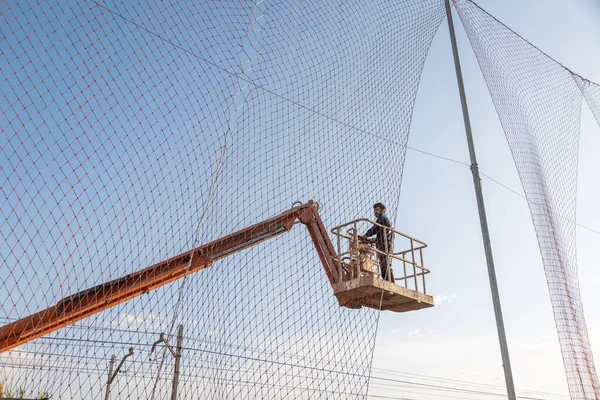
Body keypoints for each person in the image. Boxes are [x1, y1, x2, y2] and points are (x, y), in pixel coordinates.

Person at [360, 203, 395, 283]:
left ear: (382, 210)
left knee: (385, 265)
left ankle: (391, 283)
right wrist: (369, 240)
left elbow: (374, 229)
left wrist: (365, 236)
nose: (375, 212)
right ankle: (388, 282)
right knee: (383, 265)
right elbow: (379, 235)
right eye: (374, 210)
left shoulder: (382, 218)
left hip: (385, 245)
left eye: (377, 210)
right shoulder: (381, 220)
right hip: (383, 244)